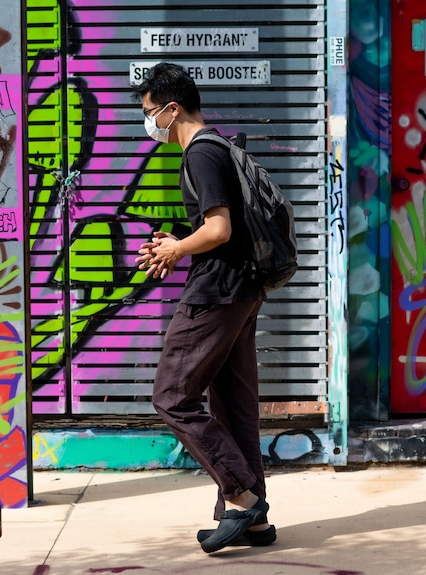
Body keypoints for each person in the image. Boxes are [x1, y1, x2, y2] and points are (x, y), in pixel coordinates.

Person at [131, 63, 275, 553]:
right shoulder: (221, 148)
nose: (148, 122)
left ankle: (241, 498)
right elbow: (216, 231)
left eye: (150, 112)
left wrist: (176, 250)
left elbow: (219, 230)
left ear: (173, 109)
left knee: (172, 396)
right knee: (234, 408)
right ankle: (253, 522)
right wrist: (179, 243)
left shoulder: (200, 154)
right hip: (242, 289)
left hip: (215, 294)